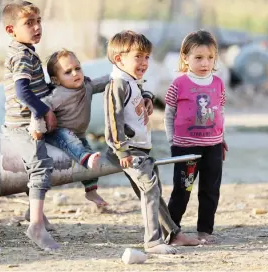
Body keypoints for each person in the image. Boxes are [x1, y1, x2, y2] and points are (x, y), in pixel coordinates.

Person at [103, 30, 178, 254]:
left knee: (153, 189)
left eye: (146, 57)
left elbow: (136, 95)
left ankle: (173, 232)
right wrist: (121, 150)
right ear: (120, 59)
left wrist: (147, 97)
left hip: (141, 148)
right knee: (150, 190)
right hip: (129, 150)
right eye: (139, 57)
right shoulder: (117, 83)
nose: (144, 62)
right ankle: (153, 241)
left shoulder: (131, 80)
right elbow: (113, 121)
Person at [1, 0, 59, 250]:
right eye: (29, 23)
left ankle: (35, 213)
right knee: (40, 165)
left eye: (38, 21)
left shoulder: (25, 50)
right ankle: (35, 226)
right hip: (23, 125)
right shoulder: (22, 56)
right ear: (11, 30)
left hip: (25, 121)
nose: (37, 27)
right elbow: (23, 93)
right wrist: (45, 110)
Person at [164, 29, 228, 243]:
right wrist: (172, 140)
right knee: (183, 189)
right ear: (185, 57)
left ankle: (205, 232)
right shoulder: (179, 84)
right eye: (198, 58)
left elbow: (220, 111)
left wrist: (221, 137)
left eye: (210, 58)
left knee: (210, 190)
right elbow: (169, 113)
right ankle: (172, 231)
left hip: (213, 147)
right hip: (185, 148)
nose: (205, 63)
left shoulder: (218, 83)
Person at [28, 49, 109, 207]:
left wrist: (120, 77)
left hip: (79, 134)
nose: (75, 73)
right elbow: (39, 107)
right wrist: (36, 128)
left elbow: (104, 81)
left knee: (90, 160)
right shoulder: (59, 94)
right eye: (68, 72)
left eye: (77, 68)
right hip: (57, 133)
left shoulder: (87, 86)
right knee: (78, 147)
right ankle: (85, 157)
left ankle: (91, 191)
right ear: (56, 80)